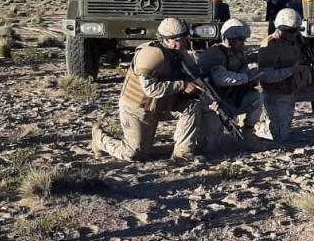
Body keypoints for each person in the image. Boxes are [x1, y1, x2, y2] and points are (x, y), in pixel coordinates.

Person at [91, 17, 220, 161]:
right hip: (138, 109)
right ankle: (99, 138)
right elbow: (150, 89)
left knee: (195, 105)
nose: (184, 42)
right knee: (133, 153)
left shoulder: (180, 54)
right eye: (179, 39)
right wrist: (183, 85)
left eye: (184, 38)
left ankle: (182, 153)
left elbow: (196, 75)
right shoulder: (151, 55)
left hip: (163, 103)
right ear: (166, 40)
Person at [256, 8, 314, 142]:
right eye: (290, 31)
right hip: (279, 93)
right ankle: (259, 124)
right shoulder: (269, 45)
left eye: (296, 30)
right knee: (279, 137)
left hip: (300, 87)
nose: (293, 33)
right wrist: (291, 70)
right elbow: (265, 76)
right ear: (280, 28)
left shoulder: (299, 41)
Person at [197, 19, 266, 151]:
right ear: (229, 39)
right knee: (208, 147)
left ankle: (247, 133)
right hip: (213, 104)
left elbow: (242, 69)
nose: (243, 43)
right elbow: (220, 78)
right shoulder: (213, 54)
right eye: (240, 40)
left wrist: (251, 77)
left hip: (232, 99)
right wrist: (245, 77)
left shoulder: (239, 54)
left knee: (256, 98)